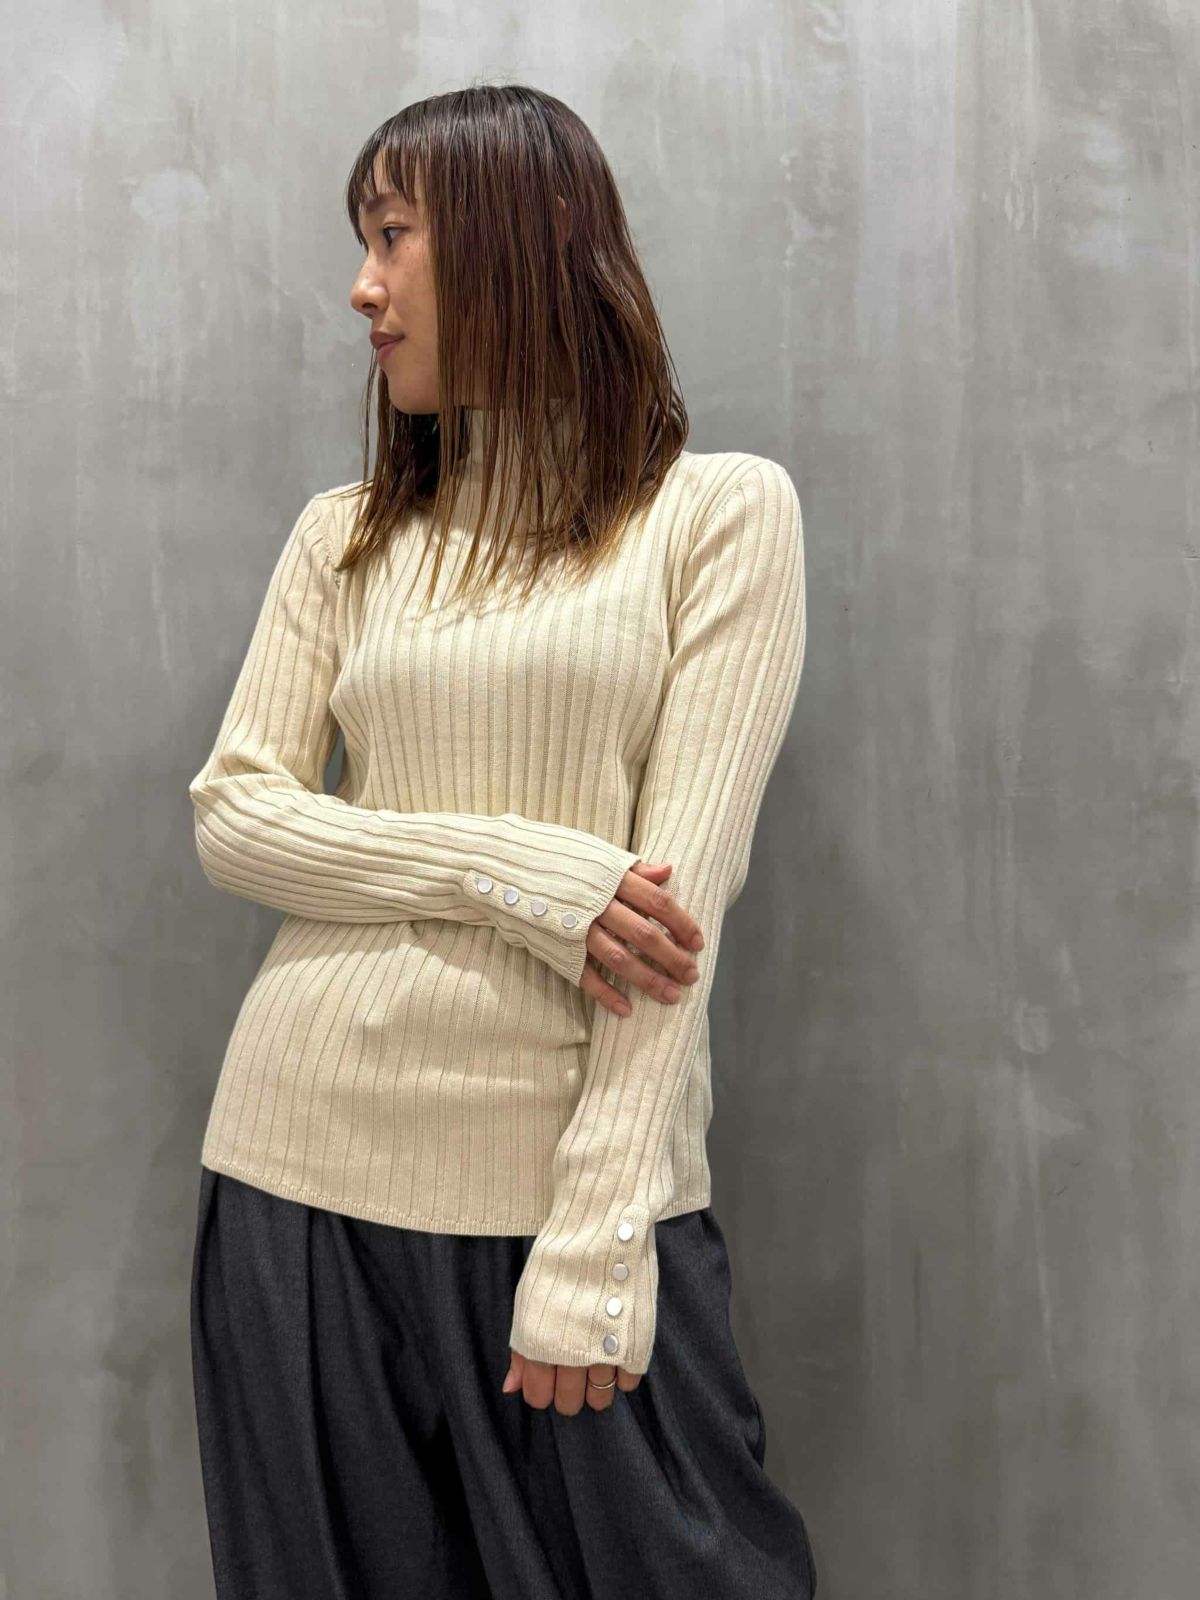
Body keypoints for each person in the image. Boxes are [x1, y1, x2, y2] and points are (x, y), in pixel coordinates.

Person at [187, 82, 818, 1599]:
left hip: (560, 1203)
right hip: (294, 1176)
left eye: (393, 236)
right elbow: (236, 814)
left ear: (522, 238)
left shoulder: (717, 516)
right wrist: (527, 874)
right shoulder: (344, 535)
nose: (363, 287)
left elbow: (677, 916)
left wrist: (599, 1236)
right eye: (362, 243)